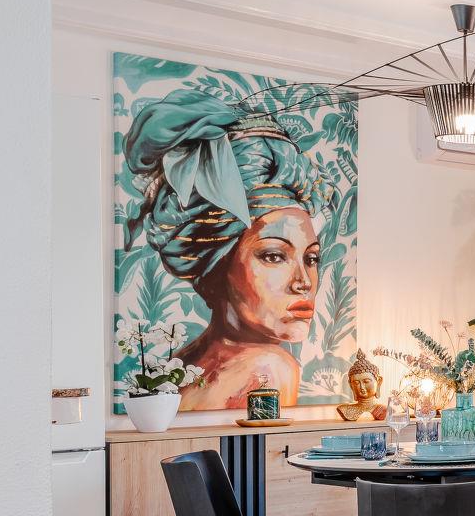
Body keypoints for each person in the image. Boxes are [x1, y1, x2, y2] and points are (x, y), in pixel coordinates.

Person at [123, 95, 326, 412]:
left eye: (311, 259)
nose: (304, 282)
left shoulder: (183, 364)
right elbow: (261, 446)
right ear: (216, 264)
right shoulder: (269, 369)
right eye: (274, 256)